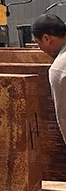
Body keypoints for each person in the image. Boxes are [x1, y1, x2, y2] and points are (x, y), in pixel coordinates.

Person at [34, 13, 66, 144]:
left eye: (38, 43)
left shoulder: (59, 69)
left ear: (47, 38)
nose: (39, 49)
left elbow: (64, 117)